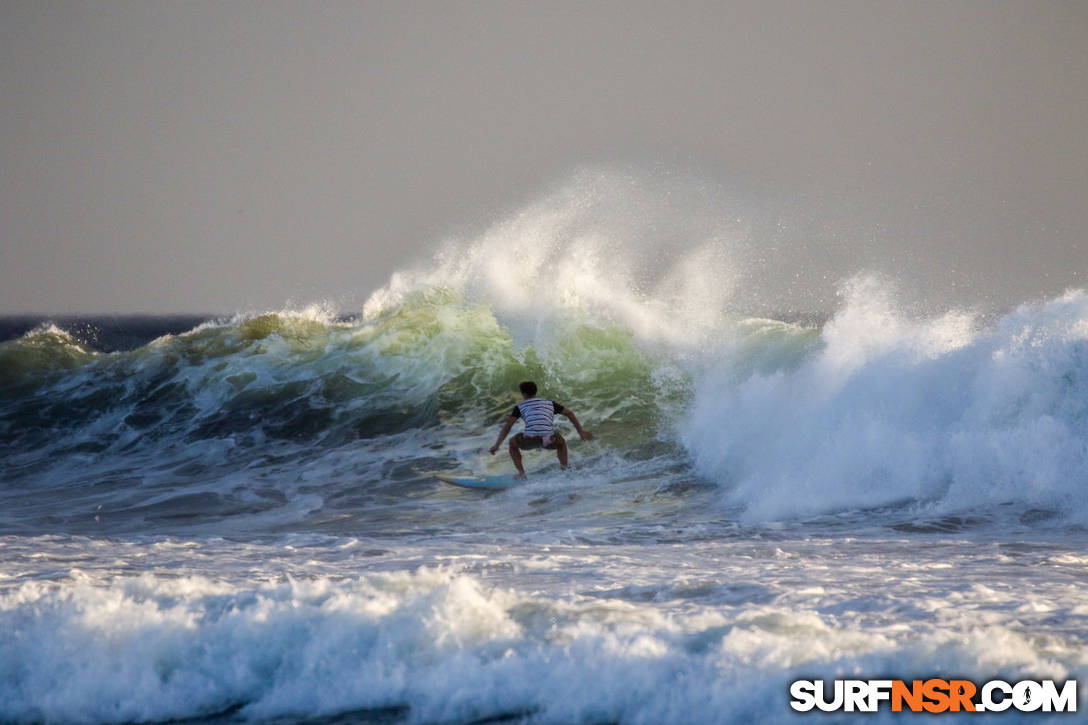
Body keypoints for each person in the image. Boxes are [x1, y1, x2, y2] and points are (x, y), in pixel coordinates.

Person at [489, 381, 594, 478]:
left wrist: (496, 445)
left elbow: (507, 427)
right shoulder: (550, 404)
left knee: (512, 443)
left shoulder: (520, 407)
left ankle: (521, 473)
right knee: (561, 442)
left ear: (523, 394)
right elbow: (569, 413)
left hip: (530, 439)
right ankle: (564, 469)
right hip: (549, 440)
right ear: (536, 391)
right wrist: (580, 431)